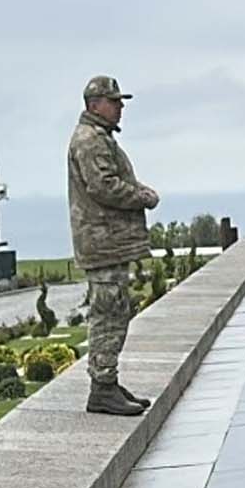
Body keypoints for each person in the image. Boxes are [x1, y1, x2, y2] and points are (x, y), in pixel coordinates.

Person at [67, 74, 160, 417]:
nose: (120, 108)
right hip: (102, 242)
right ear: (96, 105)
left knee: (116, 310)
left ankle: (107, 382)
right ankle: (103, 388)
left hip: (108, 243)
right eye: (115, 101)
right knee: (108, 313)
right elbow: (103, 186)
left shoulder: (99, 137)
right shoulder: (90, 140)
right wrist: (143, 197)